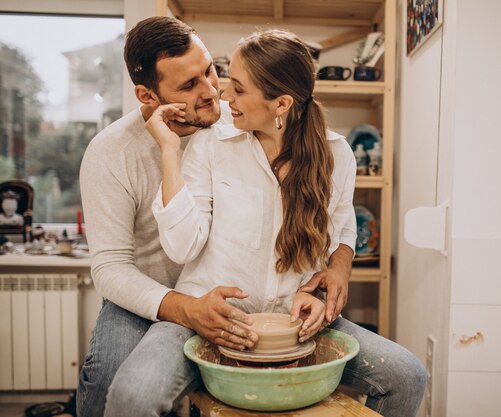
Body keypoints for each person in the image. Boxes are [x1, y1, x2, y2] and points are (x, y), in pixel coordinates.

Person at [79, 16, 425, 417]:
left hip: (282, 312)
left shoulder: (258, 125)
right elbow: (118, 265)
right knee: (111, 379)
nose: (215, 94)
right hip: (167, 294)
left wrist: (338, 270)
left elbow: (341, 220)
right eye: (190, 85)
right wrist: (170, 152)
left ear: (279, 105)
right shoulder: (120, 152)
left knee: (408, 375)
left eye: (213, 72)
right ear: (147, 95)